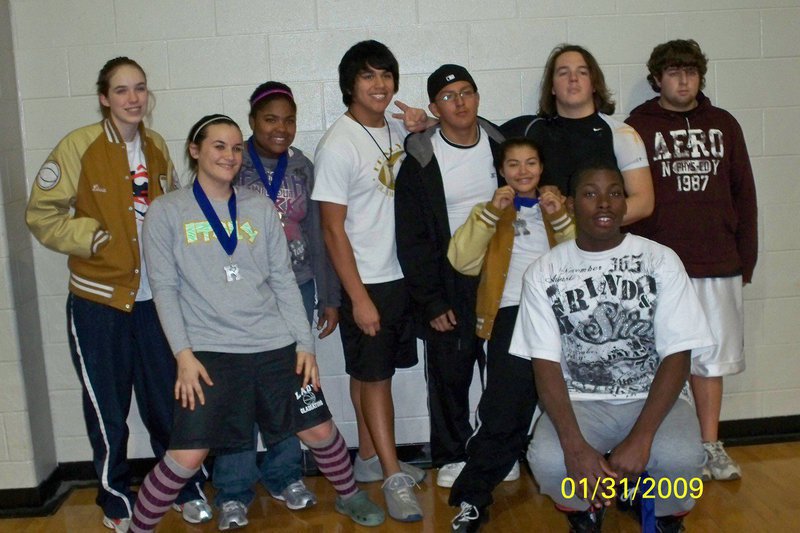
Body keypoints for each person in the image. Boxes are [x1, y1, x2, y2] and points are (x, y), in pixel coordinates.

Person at [131, 114, 385, 532]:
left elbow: (283, 280)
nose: (229, 156)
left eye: (236, 148)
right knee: (188, 455)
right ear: (195, 150)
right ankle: (139, 527)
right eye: (218, 146)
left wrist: (304, 345)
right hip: (210, 352)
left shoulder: (258, 206)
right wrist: (183, 356)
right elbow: (164, 289)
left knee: (318, 429)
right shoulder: (166, 211)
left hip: (275, 344)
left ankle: (349, 494)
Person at [25, 57, 209, 533]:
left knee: (169, 400)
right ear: (104, 98)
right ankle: (115, 496)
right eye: (122, 90)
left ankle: (182, 486)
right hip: (99, 301)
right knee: (108, 408)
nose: (133, 98)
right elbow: (41, 213)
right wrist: (93, 237)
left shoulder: (157, 146)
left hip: (155, 302)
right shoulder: (79, 146)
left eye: (140, 88)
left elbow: (170, 213)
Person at [510, 164, 715, 533]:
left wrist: (642, 438)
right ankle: (585, 510)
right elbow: (545, 365)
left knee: (682, 457)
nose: (604, 203)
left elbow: (678, 355)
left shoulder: (661, 260)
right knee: (550, 460)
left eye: (615, 193)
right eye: (590, 194)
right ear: (571, 204)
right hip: (581, 401)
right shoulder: (544, 271)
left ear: (624, 203)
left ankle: (663, 515)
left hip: (653, 397)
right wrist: (574, 447)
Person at [625, 39, 757, 481]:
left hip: (718, 262)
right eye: (673, 73)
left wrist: (746, 258)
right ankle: (662, 448)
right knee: (661, 362)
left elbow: (744, 194)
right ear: (657, 78)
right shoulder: (636, 127)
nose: (683, 81)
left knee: (710, 361)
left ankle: (709, 445)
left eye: (691, 72)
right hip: (660, 268)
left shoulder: (724, 124)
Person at [211, 82, 341, 530]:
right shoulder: (232, 163)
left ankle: (285, 475)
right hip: (242, 296)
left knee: (290, 386)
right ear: (252, 122)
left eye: (289, 120)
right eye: (270, 119)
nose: (280, 128)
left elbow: (319, 236)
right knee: (238, 389)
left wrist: (329, 296)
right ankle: (233, 488)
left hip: (297, 288)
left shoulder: (302, 167)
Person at [311, 40, 429, 522]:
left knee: (368, 373)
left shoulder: (396, 127)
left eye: (386, 75)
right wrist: (357, 298)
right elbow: (331, 229)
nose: (379, 85)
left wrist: (424, 122)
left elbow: (447, 135)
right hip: (366, 280)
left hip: (400, 275)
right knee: (377, 380)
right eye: (368, 76)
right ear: (349, 85)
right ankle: (393, 475)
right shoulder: (338, 144)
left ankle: (367, 458)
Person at [446, 138, 575, 532]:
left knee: (582, 408)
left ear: (541, 167)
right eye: (514, 164)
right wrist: (491, 213)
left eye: (531, 163)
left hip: (561, 319)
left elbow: (583, 262)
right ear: (501, 171)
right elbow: (461, 261)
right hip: (510, 315)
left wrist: (559, 218)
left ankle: (595, 496)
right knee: (504, 411)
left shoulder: (561, 206)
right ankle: (472, 497)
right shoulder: (489, 210)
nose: (523, 171)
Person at [395, 64, 506, 488]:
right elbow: (412, 238)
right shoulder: (421, 160)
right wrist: (431, 300)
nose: (459, 102)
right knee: (449, 374)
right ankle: (452, 454)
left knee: (504, 371)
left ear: (477, 97)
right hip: (448, 282)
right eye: (448, 97)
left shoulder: (501, 145)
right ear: (434, 108)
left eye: (466, 92)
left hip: (501, 277)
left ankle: (498, 450)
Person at [502, 44, 654, 225]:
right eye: (563, 73)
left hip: (600, 239)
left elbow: (643, 203)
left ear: (594, 84)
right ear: (552, 87)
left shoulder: (622, 133)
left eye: (582, 72)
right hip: (545, 239)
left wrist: (587, 224)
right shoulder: (531, 132)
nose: (573, 79)